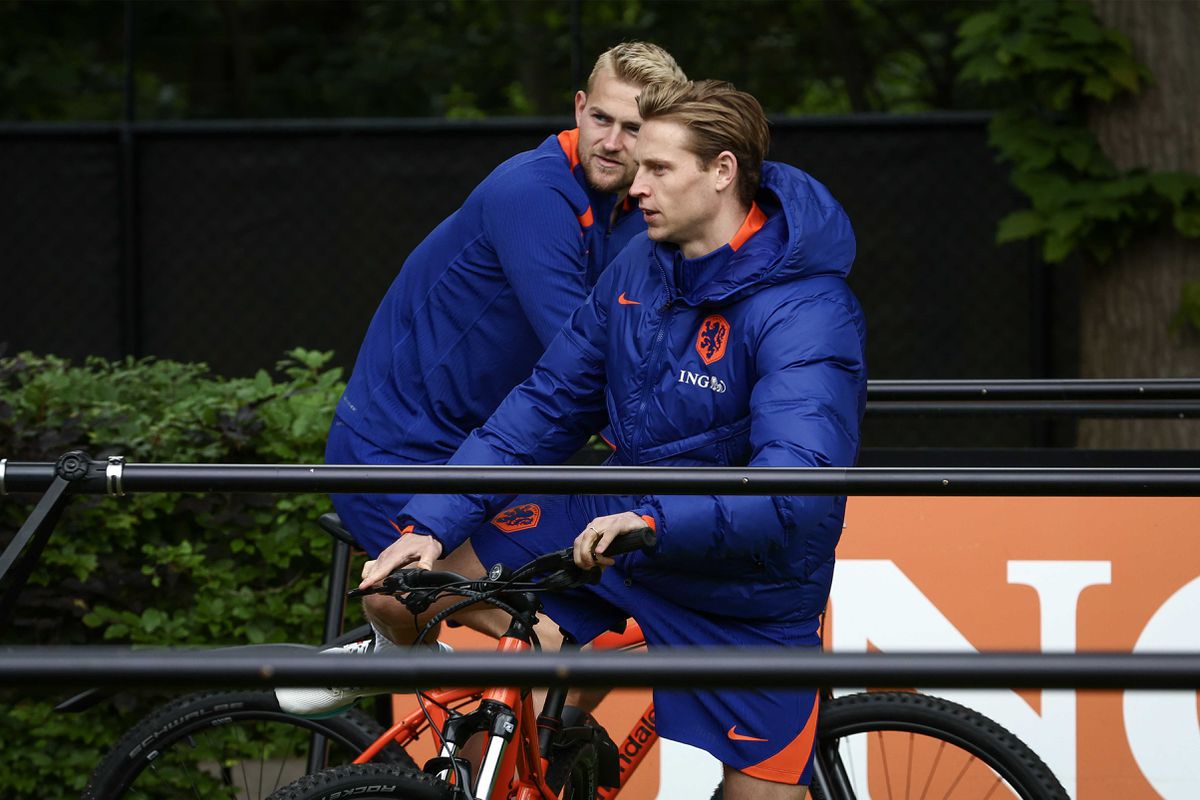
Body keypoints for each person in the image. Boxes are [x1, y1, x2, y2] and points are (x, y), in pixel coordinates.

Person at [363, 80, 867, 799]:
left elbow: (796, 489)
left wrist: (656, 523)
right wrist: (433, 521)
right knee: (398, 592)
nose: (636, 187)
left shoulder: (810, 309)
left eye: (659, 169)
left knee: (763, 795)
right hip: (614, 516)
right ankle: (533, 733)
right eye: (637, 166)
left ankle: (551, 704)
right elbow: (546, 405)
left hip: (745, 579)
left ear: (722, 171)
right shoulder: (640, 264)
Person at [276, 42, 686, 717]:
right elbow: (580, 358)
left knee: (604, 631)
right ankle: (398, 648)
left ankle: (513, 760)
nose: (614, 143)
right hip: (399, 458)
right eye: (603, 120)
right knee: (550, 646)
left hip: (487, 458)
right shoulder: (530, 193)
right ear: (578, 109)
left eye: (636, 129)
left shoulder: (630, 207)